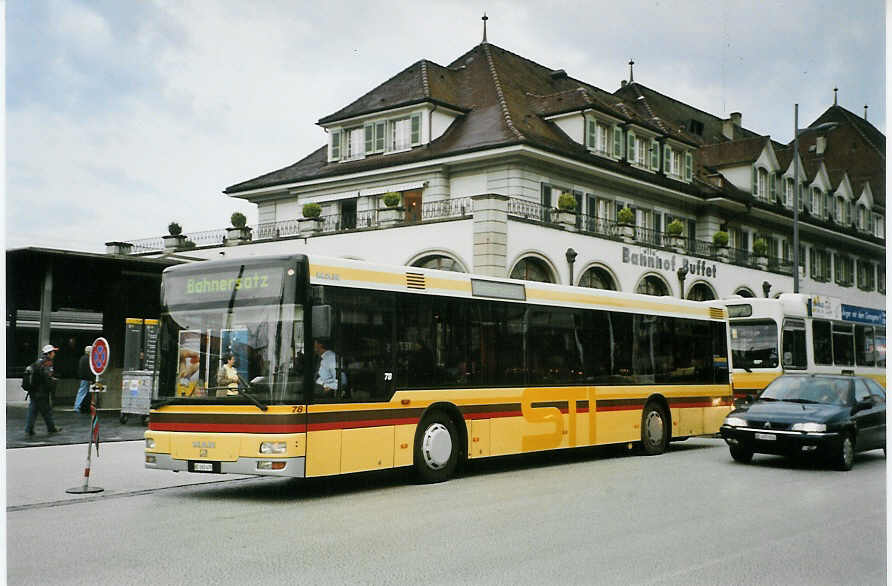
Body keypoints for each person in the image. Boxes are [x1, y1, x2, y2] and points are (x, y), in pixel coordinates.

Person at [25, 344, 62, 436]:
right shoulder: (47, 363)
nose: (54, 354)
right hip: (41, 392)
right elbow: (46, 378)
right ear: (48, 353)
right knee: (46, 411)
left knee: (33, 410)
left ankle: (29, 429)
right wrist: (52, 383)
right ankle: (51, 428)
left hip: (33, 391)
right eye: (53, 352)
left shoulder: (38, 361)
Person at [74, 345, 92, 413]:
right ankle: (77, 406)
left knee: (82, 391)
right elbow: (88, 370)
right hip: (86, 378)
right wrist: (90, 378)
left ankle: (78, 406)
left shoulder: (82, 358)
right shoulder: (88, 359)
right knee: (82, 392)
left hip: (83, 378)